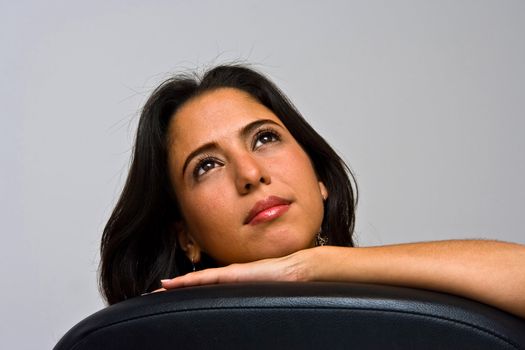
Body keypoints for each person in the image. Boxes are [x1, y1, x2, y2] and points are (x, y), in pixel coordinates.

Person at [100, 64, 525, 318]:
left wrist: (314, 267)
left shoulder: (423, 320)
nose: (249, 173)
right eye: (207, 165)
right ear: (186, 236)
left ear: (319, 179)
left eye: (265, 138)